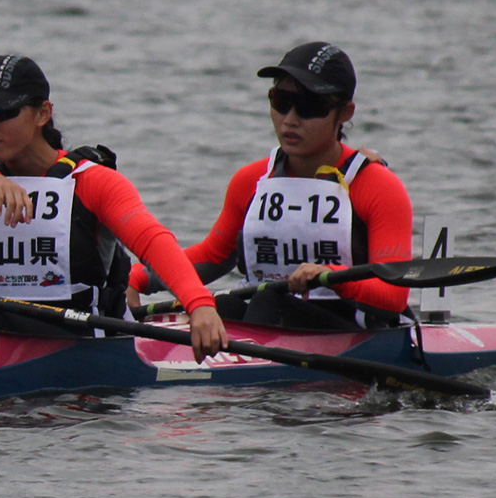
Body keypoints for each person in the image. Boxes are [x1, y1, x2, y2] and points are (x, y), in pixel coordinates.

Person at [0, 55, 228, 358]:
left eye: (0, 111)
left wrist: (200, 306)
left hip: (75, 340)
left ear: (42, 114)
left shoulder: (92, 181)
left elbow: (153, 242)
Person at [126, 42, 413, 331]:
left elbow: (394, 295)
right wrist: (137, 276)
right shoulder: (250, 181)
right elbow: (213, 257)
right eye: (280, 101)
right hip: (270, 316)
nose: (290, 119)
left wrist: (333, 276)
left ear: (345, 113)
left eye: (308, 106)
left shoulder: (377, 186)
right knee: (223, 305)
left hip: (353, 324)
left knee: (267, 302)